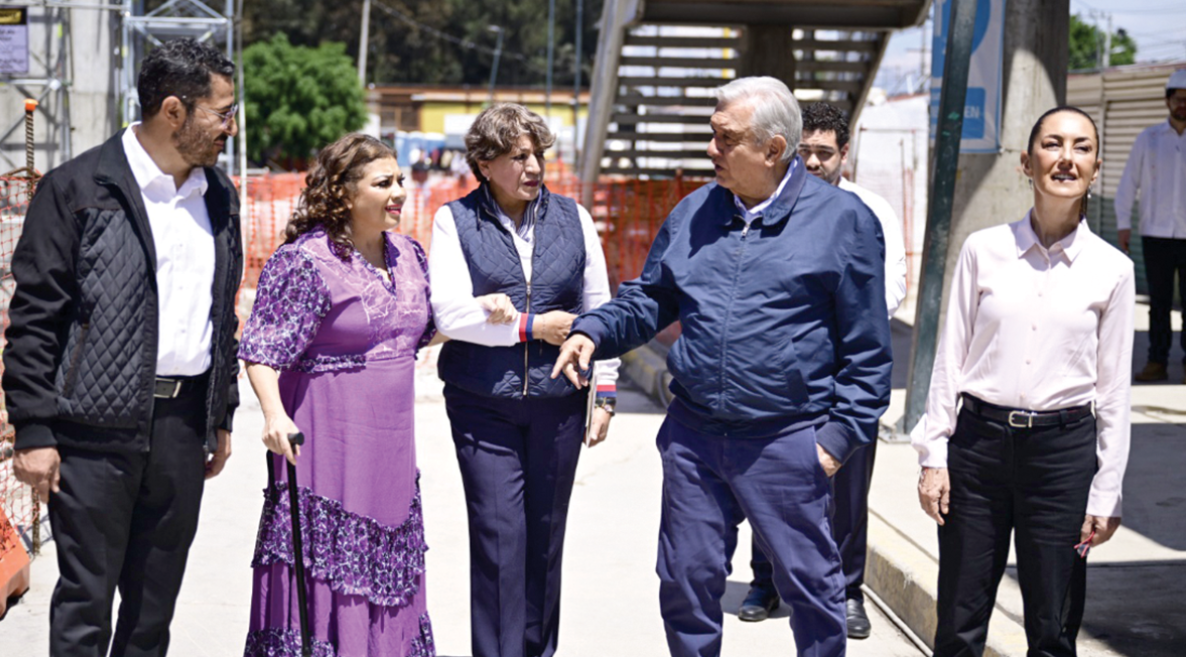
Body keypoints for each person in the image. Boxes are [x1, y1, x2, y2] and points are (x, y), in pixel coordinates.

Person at [555, 76, 892, 657]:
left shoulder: (844, 221)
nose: (710, 149)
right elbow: (651, 299)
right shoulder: (695, 212)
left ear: (773, 149)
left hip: (788, 440)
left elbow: (868, 352)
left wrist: (834, 442)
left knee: (813, 592)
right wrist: (594, 330)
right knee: (685, 582)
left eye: (724, 138)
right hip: (695, 435)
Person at [2, 38, 242, 656]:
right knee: (85, 604)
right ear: (173, 111)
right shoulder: (77, 188)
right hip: (91, 435)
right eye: (222, 112)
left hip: (182, 430)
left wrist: (219, 413)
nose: (230, 127)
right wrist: (33, 429)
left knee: (151, 612)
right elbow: (35, 317)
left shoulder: (219, 197)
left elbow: (221, 317)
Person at [915, 106, 1133, 657]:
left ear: (1096, 165)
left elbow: (1113, 391)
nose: (1066, 158)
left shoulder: (1113, 269)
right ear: (1026, 162)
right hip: (978, 450)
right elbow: (950, 359)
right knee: (960, 620)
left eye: (1081, 147)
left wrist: (1107, 488)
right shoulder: (983, 251)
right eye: (1053, 144)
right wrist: (933, 454)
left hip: (1063, 458)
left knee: (1053, 626)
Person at [427, 102, 619, 657]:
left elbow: (599, 309)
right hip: (482, 405)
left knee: (544, 539)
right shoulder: (453, 220)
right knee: (499, 540)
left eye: (537, 154)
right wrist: (532, 326)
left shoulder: (574, 218)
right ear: (484, 164)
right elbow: (451, 316)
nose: (533, 166)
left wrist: (604, 391)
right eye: (518, 156)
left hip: (560, 404)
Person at [239, 134, 439, 656]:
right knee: (327, 575)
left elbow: (426, 328)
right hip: (326, 447)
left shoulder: (410, 254)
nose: (400, 192)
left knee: (391, 568)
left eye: (400, 181)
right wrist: (274, 415)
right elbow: (261, 350)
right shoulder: (306, 260)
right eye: (384, 183)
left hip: (392, 452)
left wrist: (493, 315)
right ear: (345, 193)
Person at [737, 102, 907, 638]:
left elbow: (892, 286)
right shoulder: (767, 204)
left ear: (844, 154)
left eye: (823, 153)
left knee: (848, 491)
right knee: (768, 480)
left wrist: (840, 315)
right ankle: (765, 582)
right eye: (803, 151)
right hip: (785, 376)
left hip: (847, 373)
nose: (812, 163)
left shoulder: (870, 210)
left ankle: (847, 590)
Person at [1115, 69, 1186, 382]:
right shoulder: (1149, 139)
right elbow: (1128, 182)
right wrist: (1122, 223)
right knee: (1158, 301)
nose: (1183, 105)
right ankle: (1156, 361)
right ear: (1168, 100)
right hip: (1155, 232)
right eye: (1178, 99)